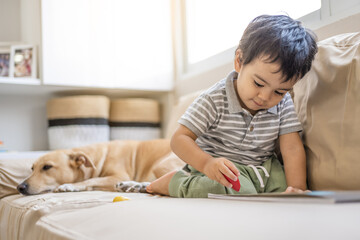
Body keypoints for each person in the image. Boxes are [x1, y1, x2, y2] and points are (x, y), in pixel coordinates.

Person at [125, 14, 318, 198]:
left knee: (282, 188)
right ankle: (174, 182)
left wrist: (297, 190)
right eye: (258, 84)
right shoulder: (214, 99)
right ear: (239, 62)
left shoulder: (283, 103)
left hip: (262, 170)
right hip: (219, 169)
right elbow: (179, 138)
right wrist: (207, 163)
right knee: (238, 190)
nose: (265, 97)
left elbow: (292, 148)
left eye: (279, 91)